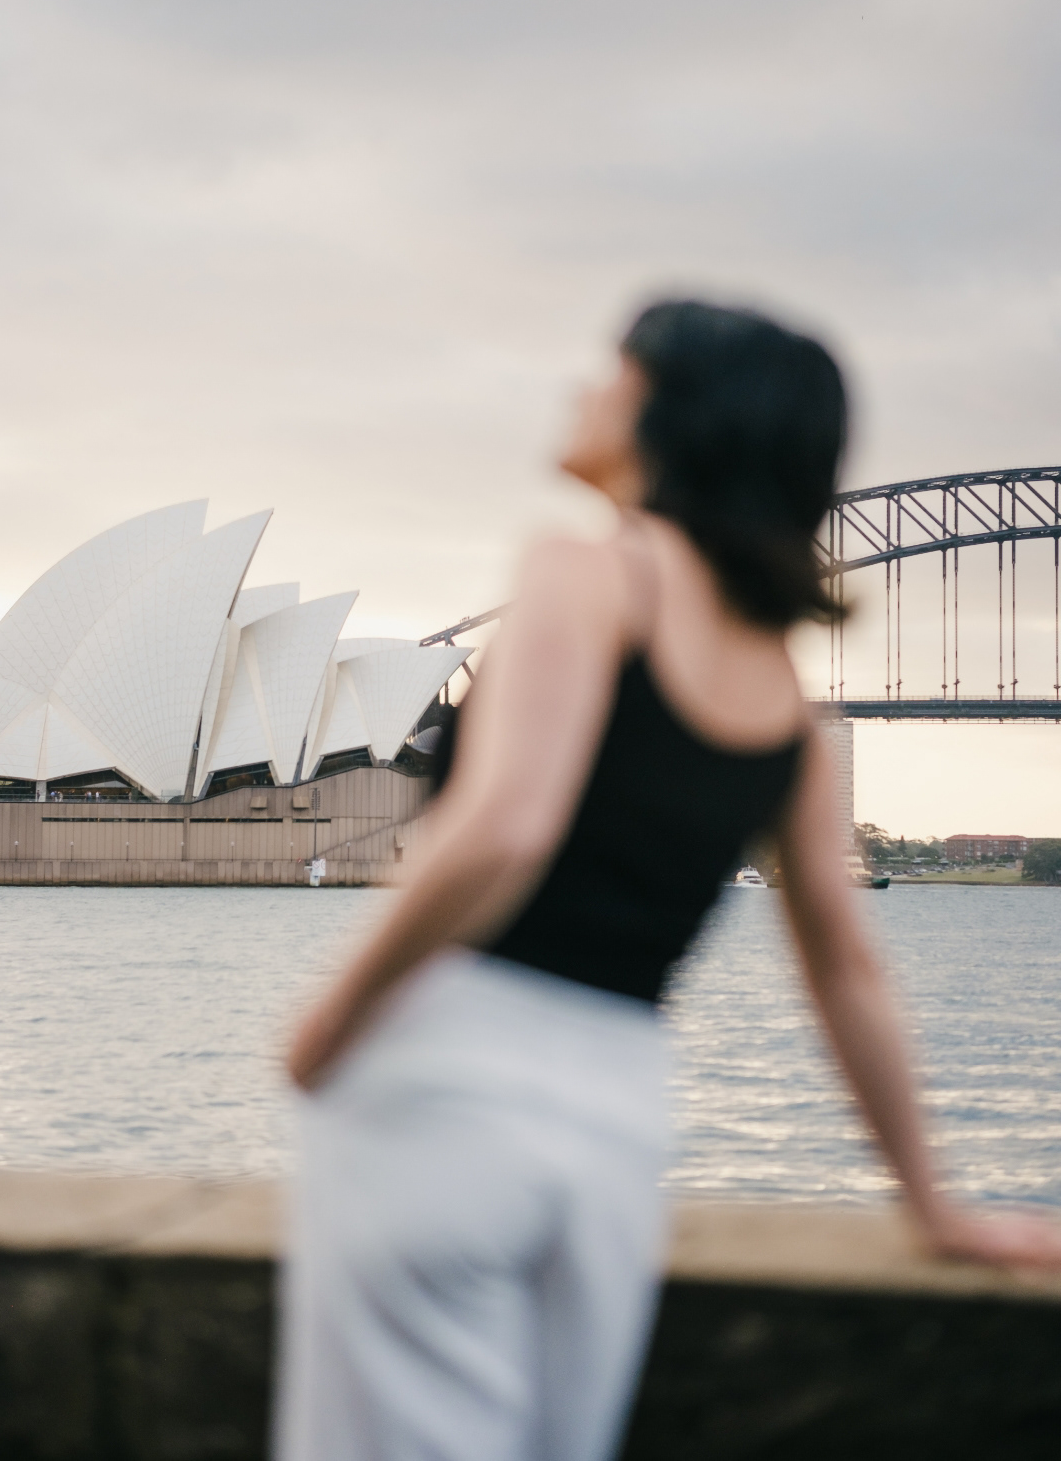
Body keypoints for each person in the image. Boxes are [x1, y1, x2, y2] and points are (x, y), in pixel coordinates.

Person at [279, 299, 1061, 1461]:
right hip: (618, 1117)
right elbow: (847, 968)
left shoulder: (586, 571)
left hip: (449, 1083)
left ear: (675, 417)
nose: (582, 394)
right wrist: (933, 1204)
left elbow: (504, 828)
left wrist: (336, 1021)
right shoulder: (783, 699)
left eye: (613, 373)